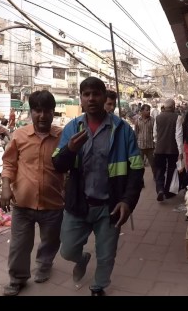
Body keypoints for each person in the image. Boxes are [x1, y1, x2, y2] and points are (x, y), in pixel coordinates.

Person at [52, 77, 144, 296]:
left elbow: (137, 168)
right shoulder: (73, 128)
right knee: (67, 250)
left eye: (96, 93)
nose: (91, 98)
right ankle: (82, 258)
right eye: (86, 94)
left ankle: (98, 287)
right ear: (81, 99)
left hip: (110, 207)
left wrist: (127, 201)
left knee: (106, 255)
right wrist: (70, 150)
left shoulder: (122, 130)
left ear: (105, 97)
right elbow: (57, 164)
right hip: (78, 204)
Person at [0, 90, 64, 296]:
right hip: (23, 203)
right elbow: (9, 163)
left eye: (47, 111)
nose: (42, 115)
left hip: (53, 203)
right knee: (19, 245)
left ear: (53, 112)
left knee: (51, 241)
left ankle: (45, 264)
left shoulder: (62, 137)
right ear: (31, 112)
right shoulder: (19, 135)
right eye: (37, 110)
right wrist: (5, 187)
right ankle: (17, 278)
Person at [153, 98, 183, 201]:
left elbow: (155, 134)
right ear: (174, 107)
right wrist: (180, 151)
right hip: (172, 149)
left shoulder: (158, 118)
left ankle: (160, 189)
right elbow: (178, 135)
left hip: (159, 149)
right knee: (171, 170)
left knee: (159, 170)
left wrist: (158, 144)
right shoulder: (177, 117)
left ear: (164, 107)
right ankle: (168, 192)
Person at [134, 103, 155, 178]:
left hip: (150, 146)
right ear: (142, 111)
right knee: (140, 165)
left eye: (149, 110)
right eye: (147, 110)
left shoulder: (153, 120)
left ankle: (155, 178)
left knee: (153, 164)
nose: (148, 112)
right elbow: (136, 132)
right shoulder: (137, 121)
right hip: (140, 146)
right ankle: (140, 180)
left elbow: (155, 133)